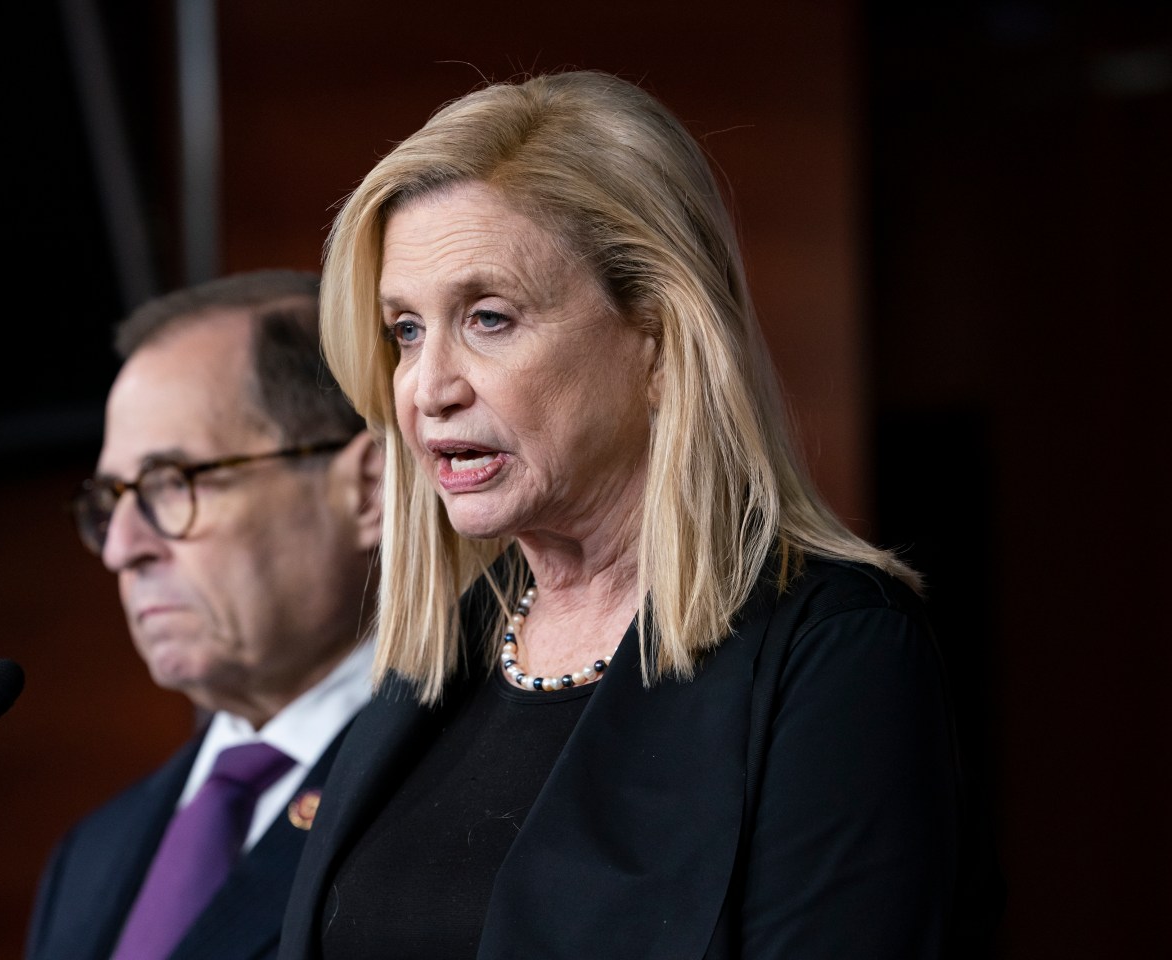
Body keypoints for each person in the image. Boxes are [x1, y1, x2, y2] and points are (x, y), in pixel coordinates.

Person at [279, 71, 991, 959]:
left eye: (489, 318)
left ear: (656, 340)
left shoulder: (837, 653)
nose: (429, 388)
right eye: (407, 331)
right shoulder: (441, 659)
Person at [25, 269, 383, 960]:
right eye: (110, 500)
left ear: (367, 490)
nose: (122, 548)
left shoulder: (473, 792)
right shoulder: (88, 857)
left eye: (172, 483)